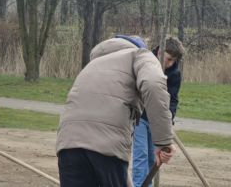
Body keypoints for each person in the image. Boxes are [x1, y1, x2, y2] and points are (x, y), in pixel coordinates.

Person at [57, 35, 175, 186]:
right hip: (106, 142)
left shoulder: (93, 64)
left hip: (68, 143)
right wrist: (163, 142)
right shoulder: (140, 55)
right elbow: (153, 84)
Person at [132, 36, 185, 187]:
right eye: (168, 59)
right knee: (141, 156)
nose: (170, 63)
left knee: (153, 158)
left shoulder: (175, 74)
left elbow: (173, 100)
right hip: (140, 117)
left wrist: (168, 121)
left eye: (173, 61)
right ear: (159, 51)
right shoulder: (145, 62)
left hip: (157, 122)